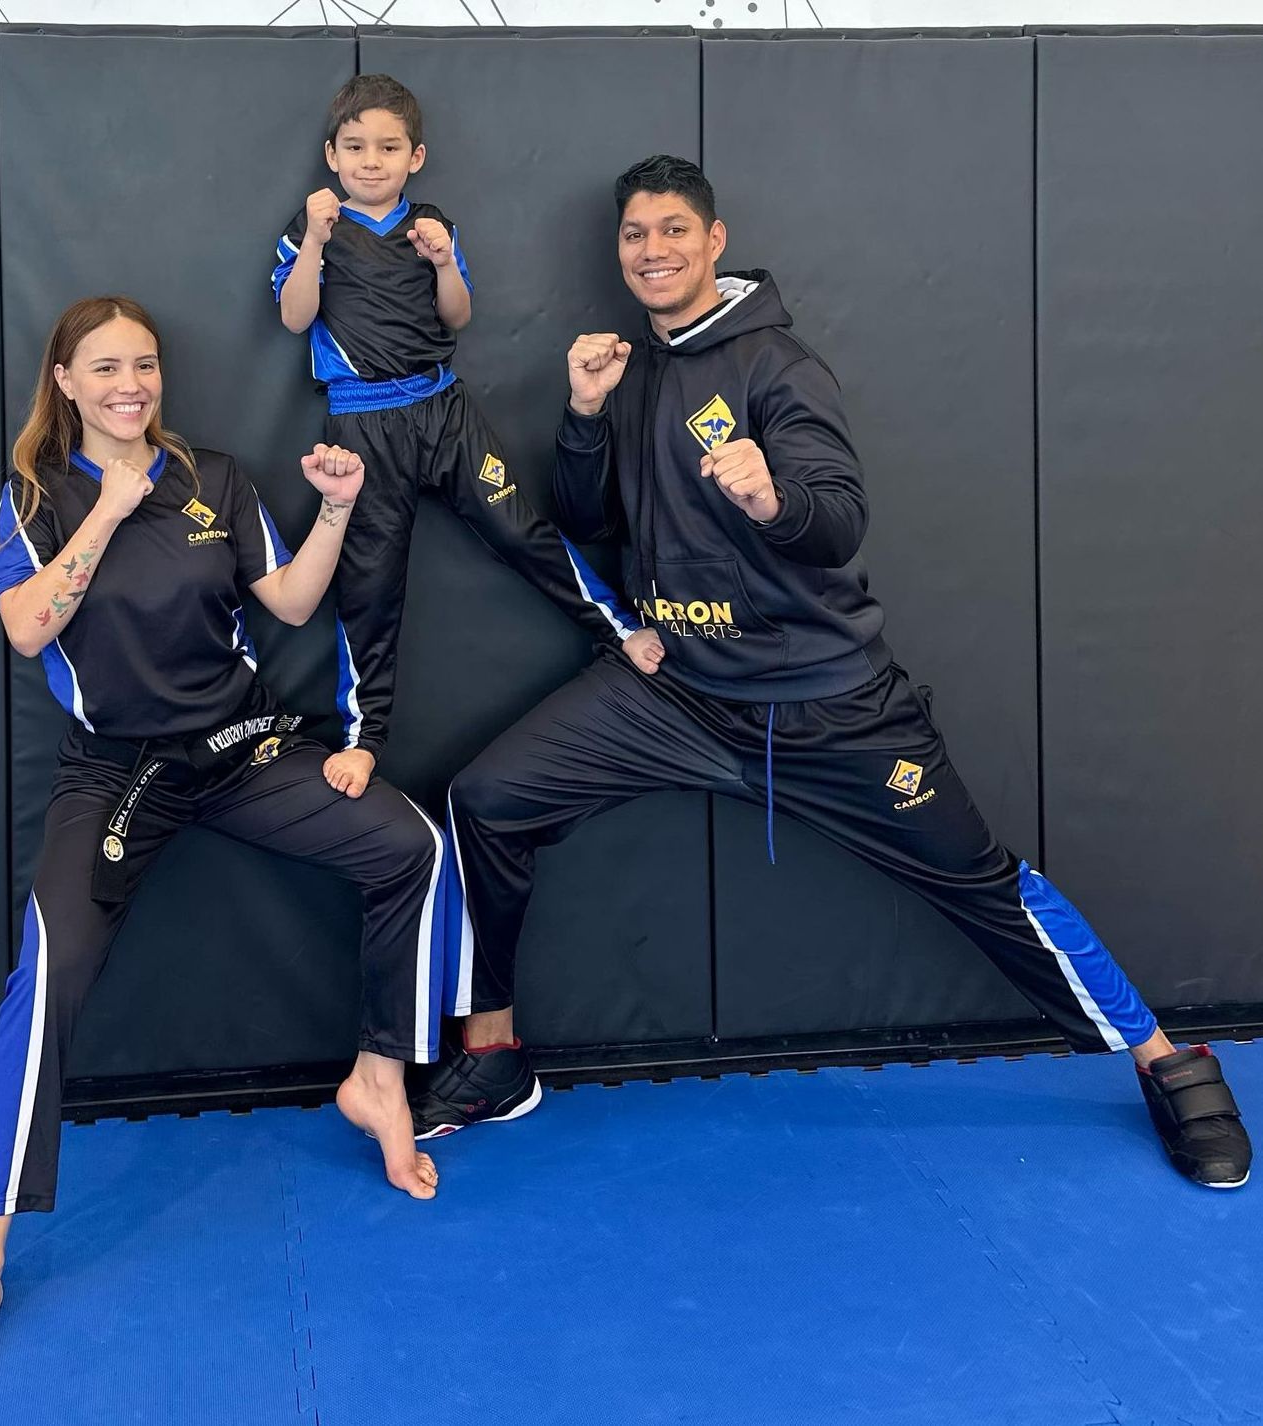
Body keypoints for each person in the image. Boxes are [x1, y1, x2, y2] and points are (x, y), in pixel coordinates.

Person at [413, 156, 1252, 1195]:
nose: (653, 251)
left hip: (829, 706)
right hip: (678, 692)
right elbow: (591, 523)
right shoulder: (632, 370)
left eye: (673, 230)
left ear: (714, 241)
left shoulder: (778, 367)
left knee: (990, 887)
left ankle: (1167, 1060)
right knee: (485, 799)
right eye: (634, 235)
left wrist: (774, 502)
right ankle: (493, 1052)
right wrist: (583, 417)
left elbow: (837, 517)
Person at [0, 295, 445, 1399]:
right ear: (64, 381)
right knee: (43, 979)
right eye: (104, 368)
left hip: (240, 746)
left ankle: (379, 1078)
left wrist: (335, 509)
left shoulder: (218, 477)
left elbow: (291, 603)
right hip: (118, 770)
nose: (130, 385)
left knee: (406, 843)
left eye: (143, 365)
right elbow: (24, 630)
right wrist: (106, 511)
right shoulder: (35, 494)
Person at [272, 73, 662, 801]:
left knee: (519, 530)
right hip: (361, 425)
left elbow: (457, 317)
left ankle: (619, 625)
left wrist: (446, 259)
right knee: (371, 586)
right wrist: (316, 241)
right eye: (355, 146)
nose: (371, 160)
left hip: (442, 409)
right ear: (332, 154)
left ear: (414, 157)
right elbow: (296, 319)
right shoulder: (311, 227)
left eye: (388, 147)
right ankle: (365, 739)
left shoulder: (429, 222)